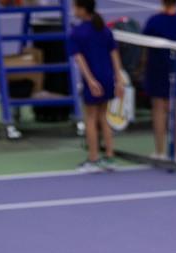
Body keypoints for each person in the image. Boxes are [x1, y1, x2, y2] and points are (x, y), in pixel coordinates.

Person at [70, 0, 126, 170]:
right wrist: (119, 78)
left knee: (91, 119)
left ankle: (93, 159)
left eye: (75, 7)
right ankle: (109, 157)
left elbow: (80, 60)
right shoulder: (104, 29)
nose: (73, 10)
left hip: (93, 79)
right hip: (108, 78)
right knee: (104, 117)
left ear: (82, 9)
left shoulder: (76, 33)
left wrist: (90, 81)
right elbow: (114, 54)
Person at [144, 0, 176, 164]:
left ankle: (160, 152)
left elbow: (145, 47)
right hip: (175, 69)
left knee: (158, 108)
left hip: (157, 69)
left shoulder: (154, 21)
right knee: (174, 108)